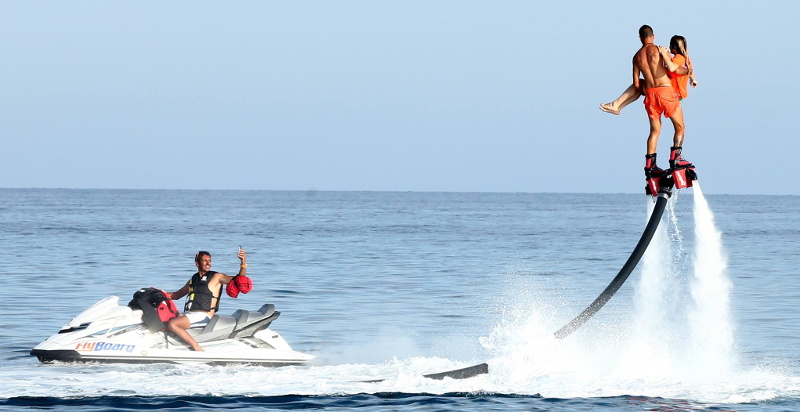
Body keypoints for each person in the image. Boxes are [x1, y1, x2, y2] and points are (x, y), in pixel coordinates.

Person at [165, 248, 247, 351]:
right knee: (166, 319)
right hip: (191, 314)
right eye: (205, 260)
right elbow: (177, 295)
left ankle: (198, 349)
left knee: (172, 324)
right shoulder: (193, 279)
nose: (208, 263)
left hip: (204, 316)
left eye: (209, 261)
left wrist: (243, 262)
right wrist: (158, 294)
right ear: (197, 263)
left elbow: (240, 279)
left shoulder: (217, 277)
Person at [599, 35, 697, 116]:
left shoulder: (678, 58)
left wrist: (663, 53)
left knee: (640, 83)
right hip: (677, 96)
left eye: (670, 46)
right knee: (639, 89)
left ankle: (616, 104)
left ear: (674, 47)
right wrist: (693, 80)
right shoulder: (687, 60)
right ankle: (618, 107)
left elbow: (672, 68)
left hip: (671, 93)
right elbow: (690, 71)